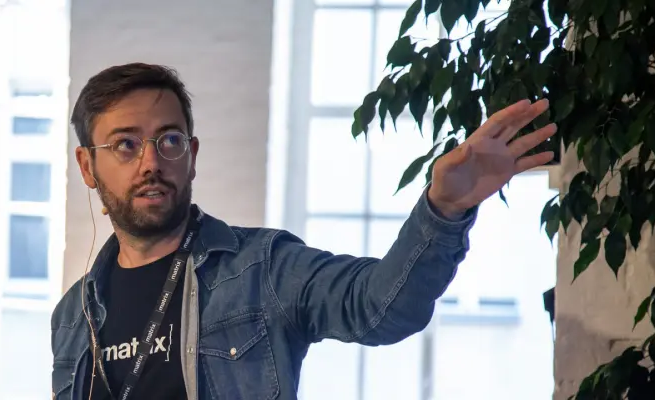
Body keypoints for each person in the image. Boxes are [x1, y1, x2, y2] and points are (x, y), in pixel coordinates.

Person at [50, 62, 557, 400]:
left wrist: (443, 209)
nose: (151, 162)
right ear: (87, 166)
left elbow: (381, 307)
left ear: (192, 155)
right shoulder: (74, 316)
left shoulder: (262, 268)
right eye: (125, 145)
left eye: (169, 140)